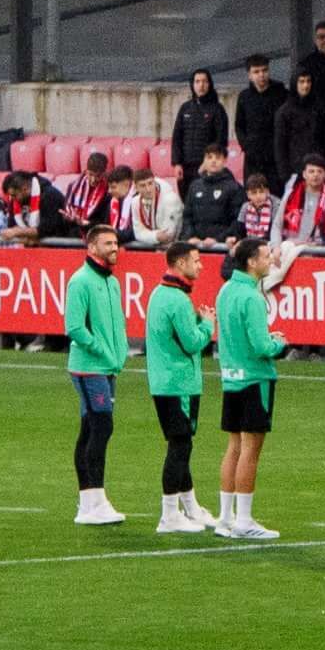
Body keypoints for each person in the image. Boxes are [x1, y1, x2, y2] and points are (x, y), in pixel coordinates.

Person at [210, 241, 286, 539]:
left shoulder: (226, 290)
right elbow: (260, 345)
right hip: (254, 379)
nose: (271, 260)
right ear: (252, 262)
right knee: (250, 450)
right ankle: (244, 520)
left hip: (231, 377)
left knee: (234, 447)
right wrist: (278, 342)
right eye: (267, 256)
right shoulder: (251, 297)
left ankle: (226, 517)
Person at [140, 238, 214, 534]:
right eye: (196, 260)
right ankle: (169, 514)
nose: (201, 265)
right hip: (179, 383)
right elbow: (193, 342)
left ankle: (190, 507)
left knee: (181, 444)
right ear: (180, 263)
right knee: (180, 445)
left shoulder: (160, 293)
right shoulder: (177, 299)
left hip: (163, 380)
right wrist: (207, 324)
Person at [62, 224, 130, 526]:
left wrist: (120, 350)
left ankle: (91, 500)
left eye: (115, 243)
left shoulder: (111, 282)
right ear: (91, 247)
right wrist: (101, 350)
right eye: (107, 243)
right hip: (89, 366)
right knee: (100, 427)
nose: (114, 248)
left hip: (106, 366)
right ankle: (92, 500)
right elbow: (74, 326)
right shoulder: (81, 281)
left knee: (93, 427)